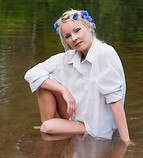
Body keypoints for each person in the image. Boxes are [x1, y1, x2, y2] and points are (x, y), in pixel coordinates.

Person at [24, 9, 131, 143]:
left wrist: (125, 140)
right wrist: (63, 90)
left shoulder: (105, 53)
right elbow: (31, 74)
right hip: (77, 116)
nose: (74, 38)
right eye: (67, 36)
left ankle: (60, 129)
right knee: (44, 84)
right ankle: (55, 135)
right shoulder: (68, 57)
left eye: (77, 30)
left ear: (89, 27)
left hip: (97, 125)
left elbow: (114, 100)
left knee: (46, 127)